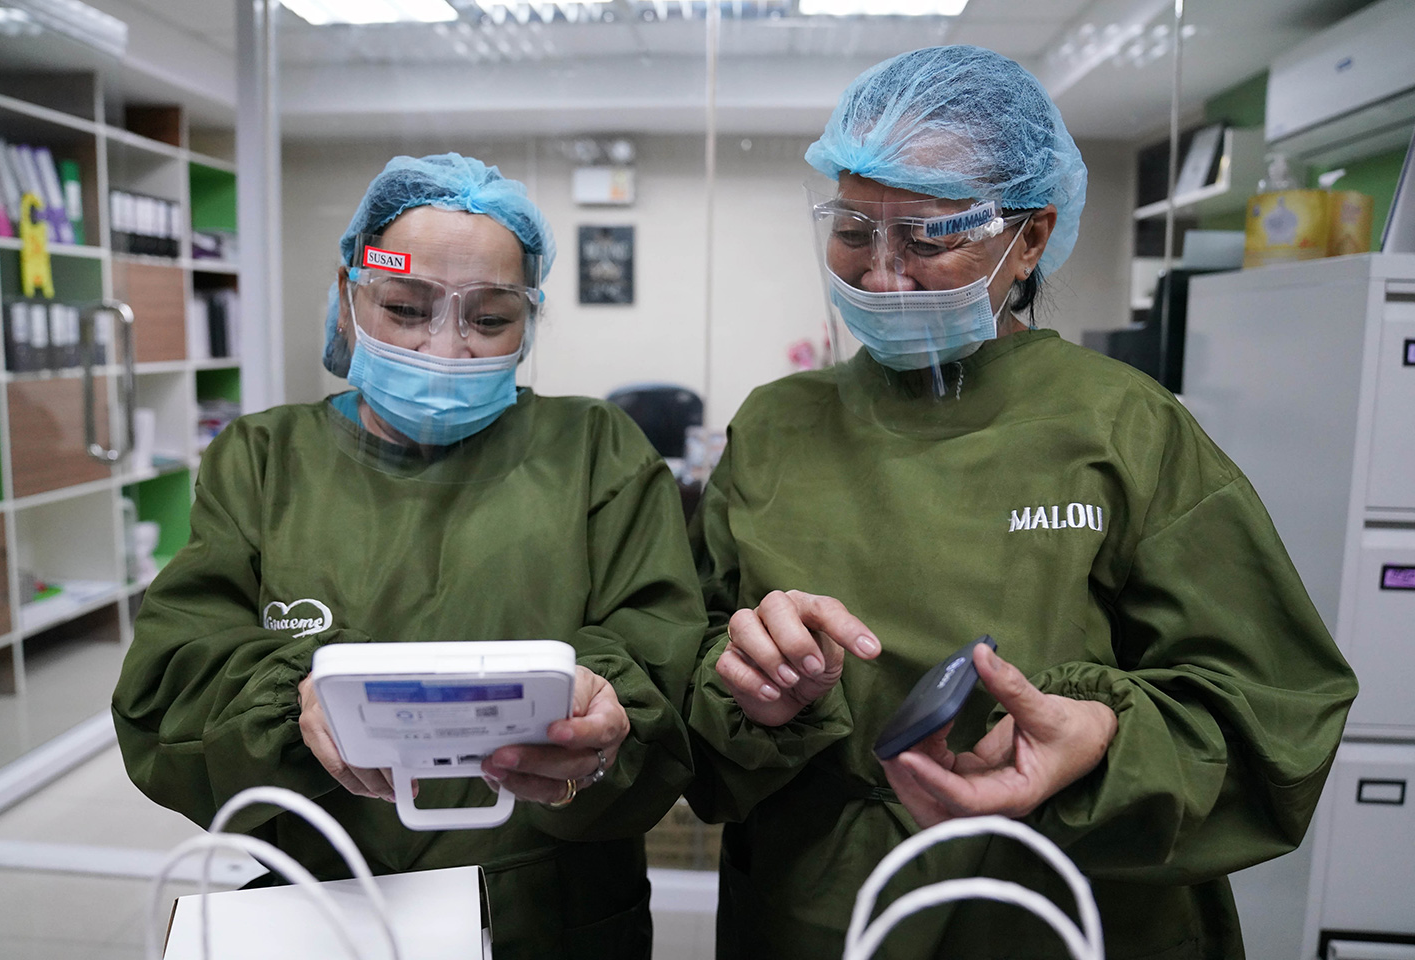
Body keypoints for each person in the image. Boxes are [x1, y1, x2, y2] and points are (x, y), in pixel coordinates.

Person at [684, 46, 1358, 959]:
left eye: (927, 238)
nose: (880, 274)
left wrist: (1108, 739)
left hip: (1065, 906)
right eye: (851, 229)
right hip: (825, 908)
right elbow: (687, 690)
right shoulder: (774, 427)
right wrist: (755, 692)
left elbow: (1273, 709)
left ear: (1029, 237)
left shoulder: (1124, 427)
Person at [113, 153, 706, 958]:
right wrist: (291, 699)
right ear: (348, 297)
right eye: (403, 307)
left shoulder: (596, 451)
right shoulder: (264, 461)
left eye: (489, 319)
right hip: (330, 902)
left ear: (530, 321)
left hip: (553, 909)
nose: (445, 348)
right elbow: (171, 685)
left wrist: (605, 710)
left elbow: (661, 659)